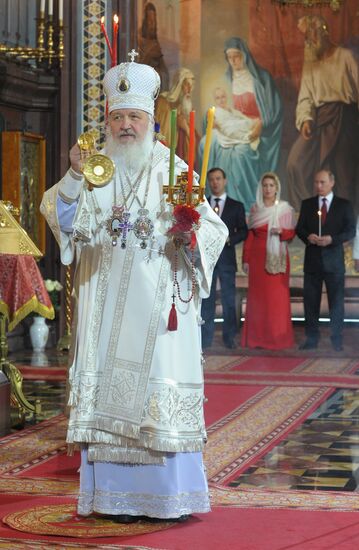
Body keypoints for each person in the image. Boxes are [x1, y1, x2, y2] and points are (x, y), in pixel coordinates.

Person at [40, 60, 228, 522]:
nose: (125, 125)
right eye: (117, 117)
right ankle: (114, 500)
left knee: (155, 405)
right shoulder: (93, 170)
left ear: (151, 121)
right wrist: (72, 175)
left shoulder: (176, 169)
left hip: (161, 318)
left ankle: (166, 499)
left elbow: (214, 230)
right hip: (105, 315)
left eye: (134, 117)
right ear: (107, 120)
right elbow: (60, 219)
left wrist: (191, 236)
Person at [199, 37, 282, 213]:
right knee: (208, 141)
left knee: (241, 154)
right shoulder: (225, 80)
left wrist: (261, 124)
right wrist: (211, 122)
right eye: (230, 58)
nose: (234, 61)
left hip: (255, 128)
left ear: (245, 55)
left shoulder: (261, 79)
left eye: (237, 56)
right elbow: (215, 109)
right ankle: (215, 204)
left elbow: (274, 110)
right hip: (231, 128)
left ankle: (244, 205)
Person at [287, 15, 359, 212]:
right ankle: (308, 214)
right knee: (296, 162)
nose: (311, 41)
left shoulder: (345, 56)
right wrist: (306, 120)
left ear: (325, 34)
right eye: (308, 38)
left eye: (315, 36)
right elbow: (305, 97)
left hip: (346, 118)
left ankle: (344, 227)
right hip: (319, 120)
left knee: (343, 172)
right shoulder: (311, 63)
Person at [296, 169, 356, 351]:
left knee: (336, 303)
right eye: (316, 182)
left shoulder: (343, 205)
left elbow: (350, 231)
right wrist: (309, 237)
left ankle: (336, 339)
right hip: (312, 262)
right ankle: (311, 338)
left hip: (334, 263)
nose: (318, 186)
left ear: (332, 183)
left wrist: (332, 239)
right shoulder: (307, 204)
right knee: (311, 303)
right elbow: (300, 229)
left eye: (322, 182)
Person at [241, 172, 295, 350]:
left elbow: (291, 234)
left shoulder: (285, 209)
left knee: (276, 299)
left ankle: (278, 339)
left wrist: (281, 232)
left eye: (271, 185)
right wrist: (245, 259)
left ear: (277, 188)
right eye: (265, 185)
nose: (268, 189)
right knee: (258, 301)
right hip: (257, 258)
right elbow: (250, 235)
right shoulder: (256, 209)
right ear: (261, 188)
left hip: (277, 258)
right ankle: (257, 340)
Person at [201, 167, 248, 349]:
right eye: (212, 179)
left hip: (227, 260)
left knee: (229, 300)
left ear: (225, 181)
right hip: (207, 260)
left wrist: (229, 239)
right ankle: (206, 338)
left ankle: (229, 338)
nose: (215, 182)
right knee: (207, 299)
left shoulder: (236, 206)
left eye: (218, 179)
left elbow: (244, 231)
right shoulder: (202, 203)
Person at [155, 67, 198, 163]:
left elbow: (193, 139)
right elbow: (160, 130)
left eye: (192, 85)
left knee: (183, 177)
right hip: (167, 157)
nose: (189, 89)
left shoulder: (187, 106)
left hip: (182, 158)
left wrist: (186, 128)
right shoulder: (164, 101)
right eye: (187, 85)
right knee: (168, 177)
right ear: (179, 84)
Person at [138, 2, 169, 91]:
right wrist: (149, 55)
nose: (152, 24)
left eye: (154, 20)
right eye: (149, 20)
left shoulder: (156, 42)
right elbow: (137, 66)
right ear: (144, 21)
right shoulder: (139, 41)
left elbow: (164, 70)